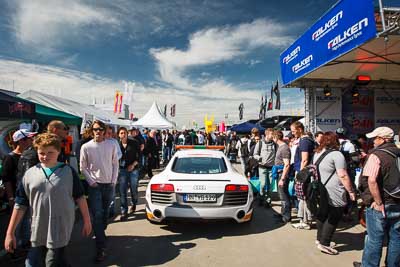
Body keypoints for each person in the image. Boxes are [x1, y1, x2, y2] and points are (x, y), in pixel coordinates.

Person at [5, 133, 92, 266]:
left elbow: (80, 197)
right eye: (41, 153)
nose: (45, 156)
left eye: (50, 152)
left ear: (58, 151)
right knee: (33, 263)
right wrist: (10, 232)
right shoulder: (30, 174)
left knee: (52, 262)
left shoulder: (68, 172)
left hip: (60, 228)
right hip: (37, 228)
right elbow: (20, 204)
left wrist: (87, 220)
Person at [353, 127, 400, 267]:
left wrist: (378, 202)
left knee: (375, 239)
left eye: (376, 138)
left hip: (380, 203)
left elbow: (371, 180)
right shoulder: (398, 153)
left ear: (383, 139)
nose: (373, 141)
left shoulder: (376, 155)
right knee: (396, 238)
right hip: (397, 201)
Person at [80, 120, 119, 262]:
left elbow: (115, 163)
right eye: (95, 129)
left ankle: (100, 231)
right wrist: (91, 182)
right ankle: (101, 247)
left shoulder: (111, 145)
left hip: (109, 184)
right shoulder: (86, 147)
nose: (98, 131)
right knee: (97, 215)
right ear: (92, 131)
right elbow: (82, 167)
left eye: (100, 129)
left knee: (105, 213)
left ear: (104, 130)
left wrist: (114, 182)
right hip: (95, 186)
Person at [313, 132, 355, 255]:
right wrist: (351, 191)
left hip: (321, 188)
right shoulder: (337, 155)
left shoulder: (317, 153)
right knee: (334, 215)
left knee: (322, 213)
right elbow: (342, 175)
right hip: (334, 189)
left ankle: (319, 239)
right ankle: (325, 244)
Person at [291, 121, 314, 229]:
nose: (293, 133)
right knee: (304, 197)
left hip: (304, 173)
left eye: (293, 131)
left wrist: (300, 175)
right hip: (306, 172)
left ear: (300, 129)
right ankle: (306, 220)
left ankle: (305, 221)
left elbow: (304, 160)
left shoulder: (304, 141)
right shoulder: (307, 140)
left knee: (302, 197)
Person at [117, 127, 140, 221]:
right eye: (121, 133)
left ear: (127, 134)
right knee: (122, 191)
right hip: (122, 170)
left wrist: (133, 165)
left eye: (124, 133)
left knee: (133, 189)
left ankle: (134, 203)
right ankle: (124, 211)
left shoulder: (134, 143)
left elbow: (139, 156)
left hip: (133, 169)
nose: (123, 135)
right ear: (118, 135)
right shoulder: (117, 145)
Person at [253, 128, 276, 207]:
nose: (273, 136)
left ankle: (268, 201)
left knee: (270, 186)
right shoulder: (260, 143)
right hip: (262, 167)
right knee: (262, 184)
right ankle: (261, 198)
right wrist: (259, 158)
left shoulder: (275, 144)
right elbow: (254, 154)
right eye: (271, 134)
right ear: (267, 134)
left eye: (273, 134)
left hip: (271, 168)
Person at [273, 130, 291, 223]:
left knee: (284, 196)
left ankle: (286, 216)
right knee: (282, 195)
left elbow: (287, 164)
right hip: (279, 173)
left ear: (276, 137)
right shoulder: (280, 147)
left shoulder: (284, 148)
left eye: (273, 137)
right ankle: (283, 213)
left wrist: (283, 179)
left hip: (282, 174)